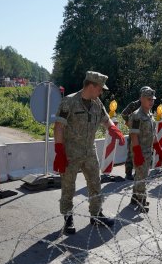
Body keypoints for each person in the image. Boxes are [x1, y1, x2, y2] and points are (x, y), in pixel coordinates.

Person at [53, 70, 125, 234]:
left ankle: (96, 215)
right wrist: (59, 151)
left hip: (89, 150)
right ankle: (68, 217)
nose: (101, 92)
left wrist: (114, 131)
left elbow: (106, 121)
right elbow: (59, 127)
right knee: (68, 186)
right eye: (100, 88)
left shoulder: (97, 103)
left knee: (95, 183)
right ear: (91, 86)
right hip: (70, 152)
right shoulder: (69, 101)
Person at [126, 87, 162, 212]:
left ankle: (134, 197)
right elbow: (133, 135)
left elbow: (153, 135)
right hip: (139, 151)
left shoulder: (149, 114)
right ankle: (141, 200)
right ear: (142, 99)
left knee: (140, 174)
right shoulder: (137, 115)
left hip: (147, 151)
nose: (151, 102)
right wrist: (137, 153)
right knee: (142, 176)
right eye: (149, 99)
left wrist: (158, 149)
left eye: (152, 99)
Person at [121, 86, 154, 180]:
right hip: (134, 132)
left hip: (144, 133)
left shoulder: (148, 104)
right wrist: (129, 122)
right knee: (131, 153)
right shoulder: (134, 104)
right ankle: (128, 173)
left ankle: (138, 173)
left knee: (142, 153)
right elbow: (124, 114)